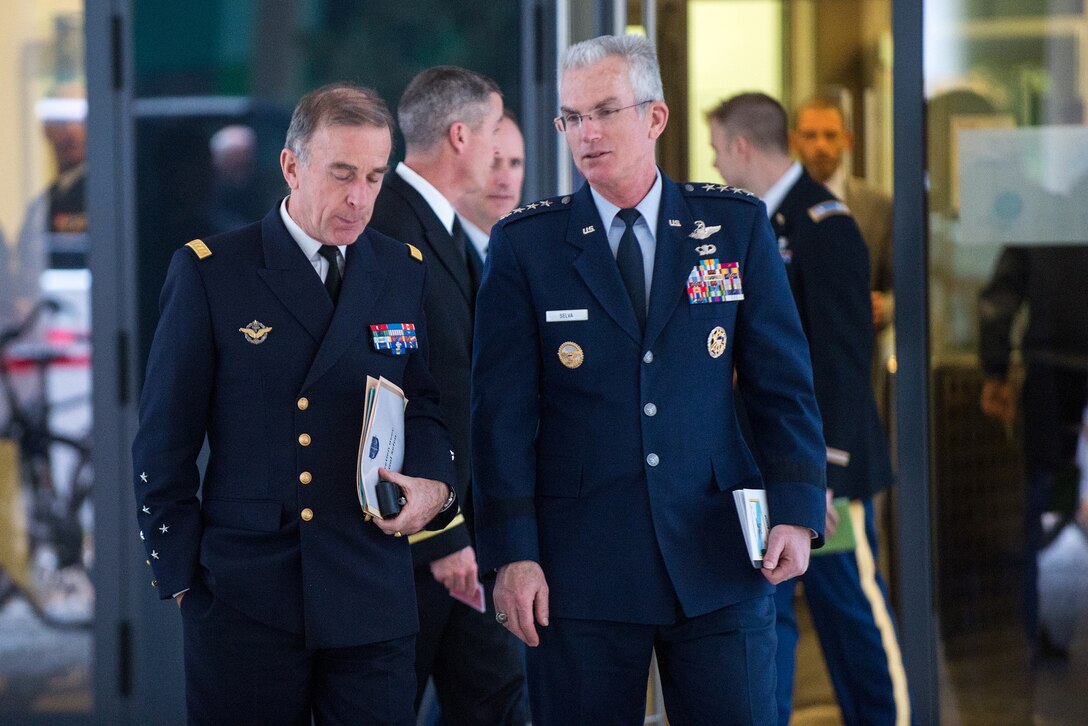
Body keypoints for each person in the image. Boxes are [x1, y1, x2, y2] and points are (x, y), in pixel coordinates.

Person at [472, 35, 827, 724]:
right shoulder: (526, 247)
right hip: (580, 568)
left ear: (656, 118)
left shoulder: (734, 227)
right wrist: (512, 555)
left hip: (720, 554)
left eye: (605, 110)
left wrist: (796, 504)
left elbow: (781, 383)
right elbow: (500, 417)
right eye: (572, 117)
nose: (588, 132)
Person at [131, 82, 458, 725]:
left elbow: (420, 398)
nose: (360, 198)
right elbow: (162, 442)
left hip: (370, 587)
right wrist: (181, 578)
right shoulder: (213, 272)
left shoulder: (399, 268)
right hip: (248, 597)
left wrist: (433, 486)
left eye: (373, 176)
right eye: (341, 174)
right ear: (291, 166)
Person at [708, 92, 909, 726]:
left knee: (851, 613)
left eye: (717, 149)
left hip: (824, 473)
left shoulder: (827, 225)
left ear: (741, 146)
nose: (716, 164)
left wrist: (824, 469)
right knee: (769, 619)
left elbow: (844, 364)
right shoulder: (748, 223)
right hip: (771, 470)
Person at [368, 68, 529, 725]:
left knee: (496, 701)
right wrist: (442, 537)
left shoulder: (449, 232)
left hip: (462, 538)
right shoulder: (386, 227)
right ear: (461, 136)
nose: (499, 152)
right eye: (494, 133)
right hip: (410, 551)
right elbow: (386, 393)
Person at [978, 243, 1088, 659]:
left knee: (1048, 503)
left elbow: (1000, 301)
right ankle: (1051, 629)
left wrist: (995, 371)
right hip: (1053, 373)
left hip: (1050, 374)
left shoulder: (1042, 209)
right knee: (1054, 501)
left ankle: (1046, 628)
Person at [791, 96, 895, 419]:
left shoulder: (877, 205)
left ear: (847, 140)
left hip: (857, 358)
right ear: (794, 141)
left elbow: (902, 284)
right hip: (795, 355)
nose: (820, 145)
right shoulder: (778, 204)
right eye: (810, 136)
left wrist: (884, 307)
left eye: (830, 135)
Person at [2, 84, 87, 327]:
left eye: (78, 120)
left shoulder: (99, 197)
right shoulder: (41, 204)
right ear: (45, 129)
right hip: (40, 322)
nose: (70, 131)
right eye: (61, 121)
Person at [456, 109, 526, 259]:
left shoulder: (528, 253)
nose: (505, 181)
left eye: (515, 163)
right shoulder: (432, 248)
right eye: (493, 163)